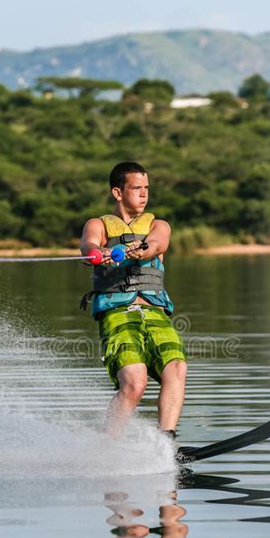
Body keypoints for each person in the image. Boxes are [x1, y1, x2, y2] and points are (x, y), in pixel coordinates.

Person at [80, 161, 187, 438]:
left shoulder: (157, 225)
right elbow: (88, 243)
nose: (144, 194)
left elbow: (158, 243)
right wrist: (96, 252)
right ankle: (108, 444)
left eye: (146, 188)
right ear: (118, 192)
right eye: (136, 188)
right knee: (134, 384)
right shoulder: (99, 225)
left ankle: (167, 441)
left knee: (176, 367)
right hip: (118, 314)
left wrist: (143, 250)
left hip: (154, 312)